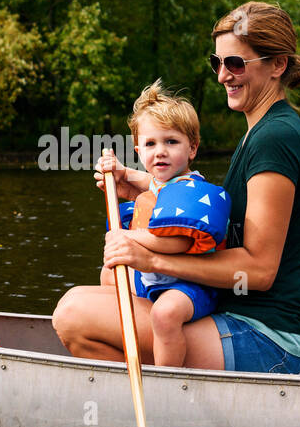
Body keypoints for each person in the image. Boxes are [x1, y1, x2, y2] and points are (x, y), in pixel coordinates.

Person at [53, 1, 300, 374]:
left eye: (236, 63)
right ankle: (171, 400)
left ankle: (166, 405)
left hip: (264, 336)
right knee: (109, 279)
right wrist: (147, 191)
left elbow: (259, 270)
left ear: (278, 65)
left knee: (74, 313)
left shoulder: (275, 138)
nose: (223, 75)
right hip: (236, 314)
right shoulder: (258, 133)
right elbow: (214, 217)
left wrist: (154, 260)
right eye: (218, 63)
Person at [96, 81, 229, 367]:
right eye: (150, 144)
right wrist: (121, 172)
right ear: (139, 151)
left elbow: (176, 242)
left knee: (165, 314)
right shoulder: (162, 182)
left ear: (192, 148)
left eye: (171, 142)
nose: (160, 152)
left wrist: (128, 237)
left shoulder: (191, 188)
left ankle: (167, 379)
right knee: (108, 274)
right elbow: (151, 183)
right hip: (154, 279)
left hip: (189, 285)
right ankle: (120, 333)